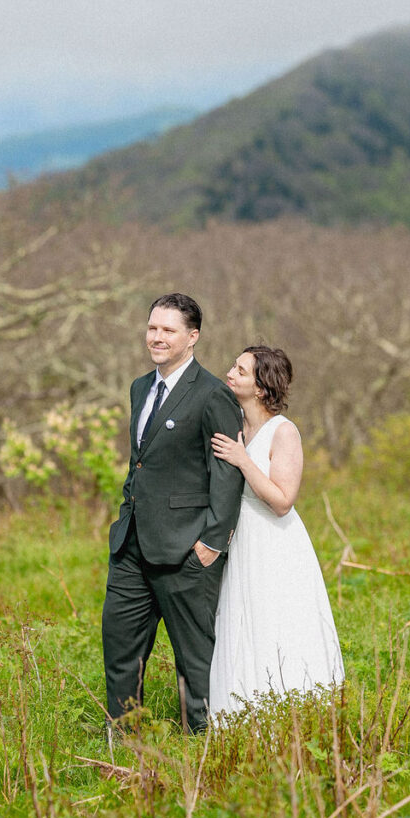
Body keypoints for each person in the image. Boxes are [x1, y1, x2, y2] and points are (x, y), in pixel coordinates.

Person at [102, 293, 244, 733]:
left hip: (188, 548)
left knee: (194, 659)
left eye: (168, 330)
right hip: (132, 545)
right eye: (152, 328)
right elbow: (139, 462)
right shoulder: (140, 387)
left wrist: (212, 542)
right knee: (121, 647)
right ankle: (123, 740)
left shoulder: (212, 394)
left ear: (192, 336)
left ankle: (203, 744)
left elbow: (226, 472)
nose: (156, 337)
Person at [209, 345, 344, 716]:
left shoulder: (284, 432)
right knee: (238, 623)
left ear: (261, 387)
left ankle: (289, 712)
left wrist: (242, 460)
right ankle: (237, 713)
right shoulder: (232, 422)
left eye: (241, 370)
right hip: (238, 541)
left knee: (275, 621)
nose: (230, 372)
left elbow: (283, 499)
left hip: (273, 541)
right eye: (232, 365)